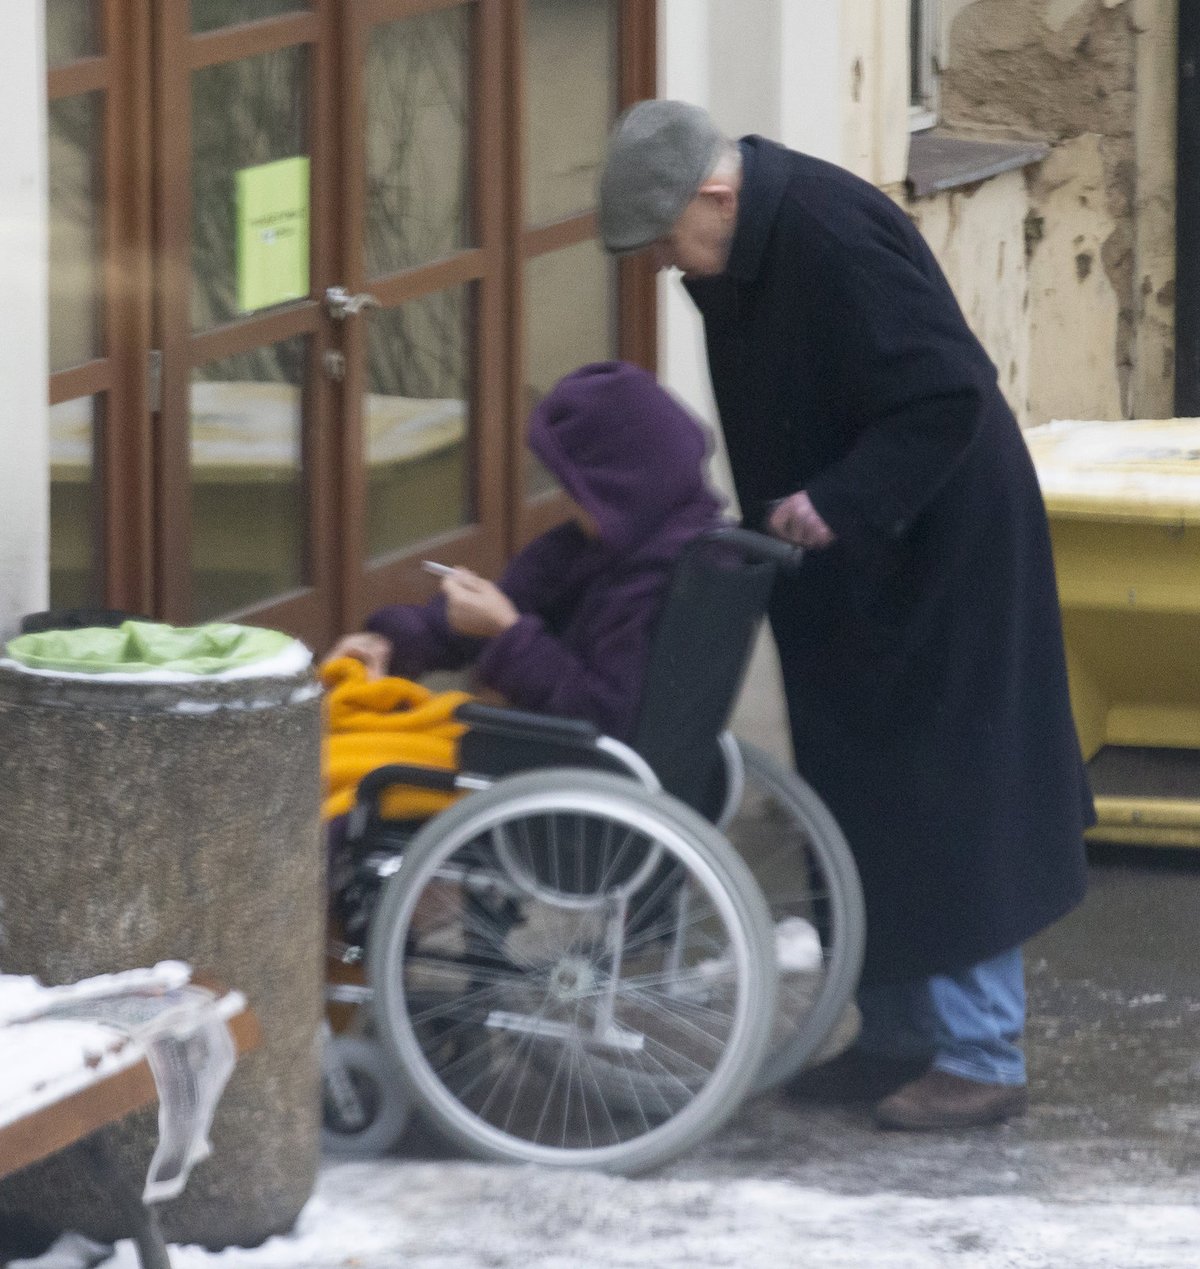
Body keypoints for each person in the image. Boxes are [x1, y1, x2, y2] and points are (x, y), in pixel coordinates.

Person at [597, 100, 1094, 1131]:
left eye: (664, 239)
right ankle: (898, 1035)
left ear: (715, 196)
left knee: (949, 795)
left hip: (940, 551)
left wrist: (839, 500)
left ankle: (981, 1052)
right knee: (864, 791)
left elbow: (949, 393)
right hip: (849, 560)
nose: (661, 264)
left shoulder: (827, 232)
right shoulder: (750, 242)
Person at [325, 358, 723, 758]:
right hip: (554, 754)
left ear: (623, 485)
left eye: (579, 490)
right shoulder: (603, 542)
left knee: (357, 772)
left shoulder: (664, 574)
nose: (570, 502)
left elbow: (607, 719)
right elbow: (500, 604)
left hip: (570, 770)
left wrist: (507, 632)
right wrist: (387, 642)